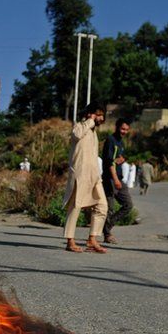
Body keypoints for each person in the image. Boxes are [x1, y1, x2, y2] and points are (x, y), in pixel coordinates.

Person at [62, 102, 109, 254]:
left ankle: (92, 239)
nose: (101, 118)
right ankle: (70, 241)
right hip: (80, 174)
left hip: (94, 175)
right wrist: (90, 120)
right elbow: (76, 135)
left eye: (102, 115)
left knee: (102, 206)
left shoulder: (94, 132)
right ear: (90, 114)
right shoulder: (79, 126)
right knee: (75, 206)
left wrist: (97, 174)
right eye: (98, 114)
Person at [101, 117, 133, 245]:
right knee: (110, 208)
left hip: (119, 178)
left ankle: (105, 227)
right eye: (122, 128)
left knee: (128, 205)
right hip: (111, 179)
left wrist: (121, 159)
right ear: (117, 127)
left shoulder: (121, 142)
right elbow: (109, 162)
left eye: (126, 130)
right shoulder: (111, 140)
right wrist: (115, 179)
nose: (124, 131)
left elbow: (116, 159)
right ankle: (107, 234)